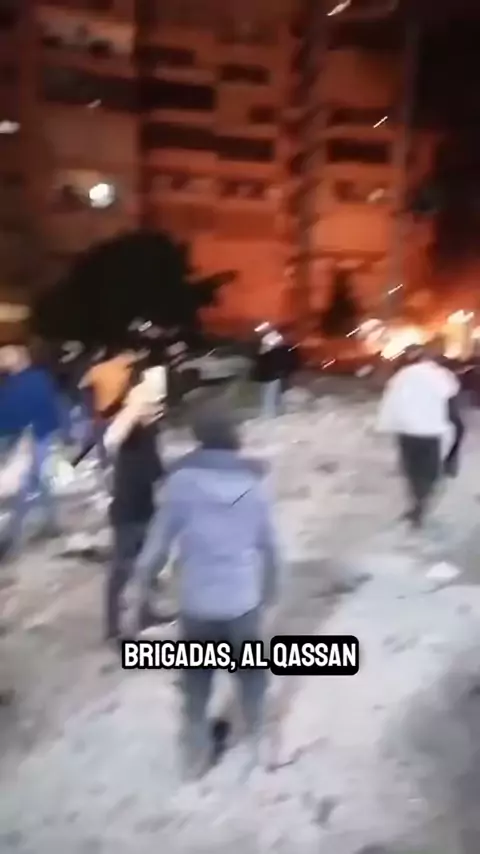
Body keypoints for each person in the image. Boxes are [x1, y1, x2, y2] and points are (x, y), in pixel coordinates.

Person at [130, 396, 281, 779]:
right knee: (251, 678)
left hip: (197, 603)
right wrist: (270, 595)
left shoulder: (181, 483)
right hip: (242, 601)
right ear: (234, 433)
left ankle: (194, 761)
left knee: (196, 684)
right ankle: (260, 745)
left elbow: (156, 547)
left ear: (198, 435)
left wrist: (137, 592)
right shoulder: (254, 484)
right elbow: (271, 548)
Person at [104, 364, 166, 645]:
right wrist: (135, 406)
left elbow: (153, 464)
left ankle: (145, 613)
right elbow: (111, 439)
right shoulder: (127, 427)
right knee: (121, 569)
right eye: (152, 398)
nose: (157, 405)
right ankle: (112, 627)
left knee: (148, 563)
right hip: (127, 510)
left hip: (147, 506)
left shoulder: (150, 426)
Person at [377, 342, 460, 529]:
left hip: (407, 432)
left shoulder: (402, 376)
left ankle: (416, 503)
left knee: (412, 470)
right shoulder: (441, 376)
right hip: (430, 432)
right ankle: (421, 505)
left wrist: (389, 424)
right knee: (428, 471)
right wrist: (453, 445)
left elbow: (390, 402)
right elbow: (452, 408)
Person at [0, 344, 62, 559]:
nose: (1, 360)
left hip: (34, 437)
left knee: (26, 483)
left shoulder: (34, 380)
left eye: (5, 356)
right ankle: (50, 523)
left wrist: (36, 431)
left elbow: (44, 408)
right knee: (37, 481)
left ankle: (12, 537)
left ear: (19, 358)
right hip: (23, 437)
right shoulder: (11, 382)